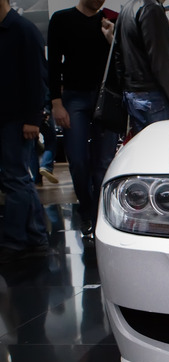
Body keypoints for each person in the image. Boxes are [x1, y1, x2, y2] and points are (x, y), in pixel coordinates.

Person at [47, 0, 119, 235]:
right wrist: (56, 101)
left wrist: (111, 39)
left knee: (102, 163)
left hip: (105, 97)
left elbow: (121, 61)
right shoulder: (61, 19)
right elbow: (54, 62)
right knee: (77, 160)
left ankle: (99, 217)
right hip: (74, 97)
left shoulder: (111, 20)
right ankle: (87, 210)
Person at [0, 0, 50, 263]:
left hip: (18, 120)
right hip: (8, 118)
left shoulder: (23, 29)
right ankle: (36, 236)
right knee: (18, 178)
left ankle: (14, 241)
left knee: (16, 179)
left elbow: (37, 77)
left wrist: (33, 119)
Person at [115, 0, 169, 137]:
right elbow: (162, 63)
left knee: (147, 149)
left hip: (133, 94)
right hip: (153, 96)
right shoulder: (151, 8)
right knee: (162, 148)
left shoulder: (127, 8)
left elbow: (118, 56)